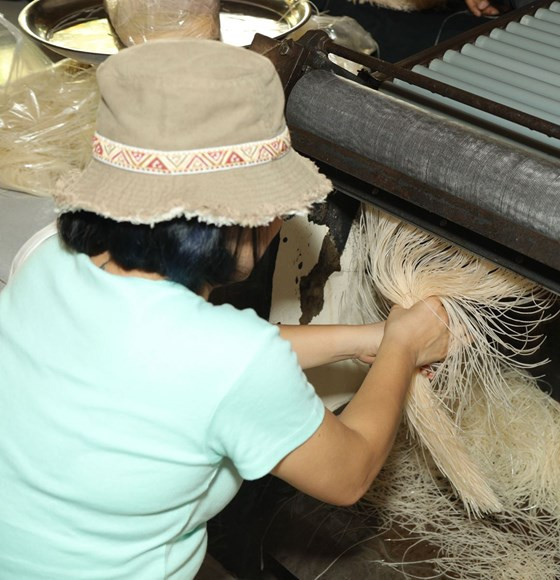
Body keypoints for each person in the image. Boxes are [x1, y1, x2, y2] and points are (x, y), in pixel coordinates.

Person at [0, 38, 450, 579]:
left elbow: (185, 362)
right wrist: (403, 344)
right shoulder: (228, 359)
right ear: (232, 221)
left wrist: (364, 338)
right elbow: (349, 473)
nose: (280, 221)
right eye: (273, 207)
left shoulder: (44, 258)